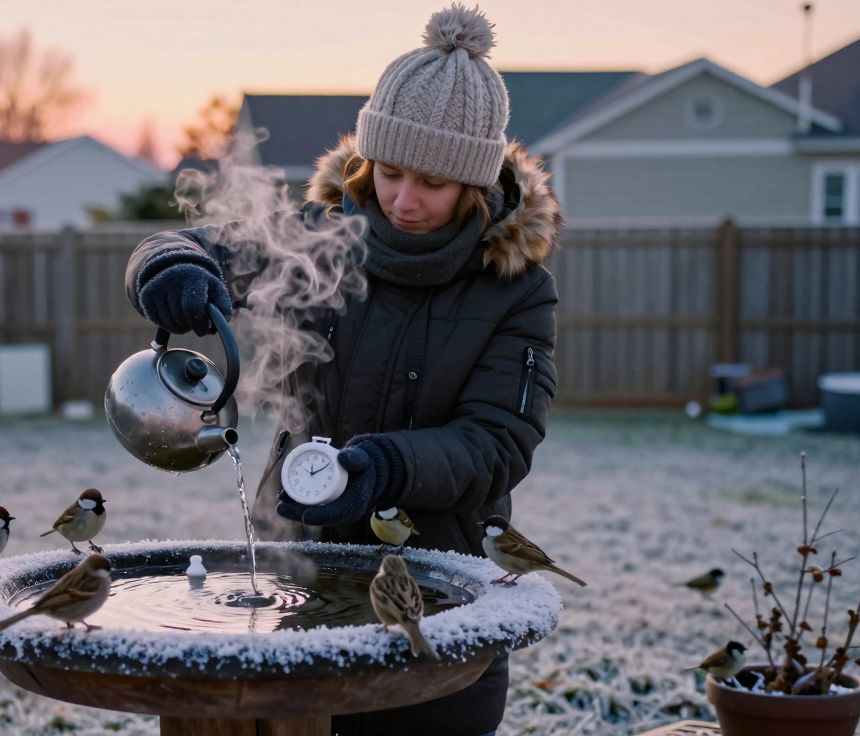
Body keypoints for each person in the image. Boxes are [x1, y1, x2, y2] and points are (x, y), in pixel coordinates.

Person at [124, 5, 562, 734]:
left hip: (435, 587)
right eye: (389, 172)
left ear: (475, 186)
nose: (404, 199)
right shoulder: (317, 240)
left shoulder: (514, 288)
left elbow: (499, 443)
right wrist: (170, 265)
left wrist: (383, 467)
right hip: (298, 573)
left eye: (433, 182)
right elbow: (186, 242)